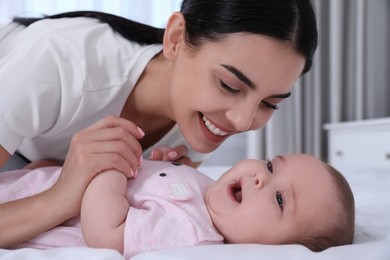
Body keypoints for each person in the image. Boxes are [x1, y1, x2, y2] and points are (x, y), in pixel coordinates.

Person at [0, 0, 318, 248]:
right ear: (176, 38)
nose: (242, 120)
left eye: (269, 103)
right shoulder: (59, 63)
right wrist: (60, 197)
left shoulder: (198, 121)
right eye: (229, 86)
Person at [1, 155, 355, 257]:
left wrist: (113, 168)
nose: (260, 177)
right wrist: (159, 165)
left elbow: (107, 233)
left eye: (279, 198)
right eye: (271, 165)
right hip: (32, 181)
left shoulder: (194, 233)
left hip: (20, 213)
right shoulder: (207, 192)